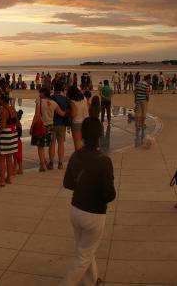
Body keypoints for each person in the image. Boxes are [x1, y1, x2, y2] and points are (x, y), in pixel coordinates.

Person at [61, 118, 115, 286]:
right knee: (84, 255)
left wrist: (83, 185)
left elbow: (67, 183)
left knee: (84, 249)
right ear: (100, 135)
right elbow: (109, 194)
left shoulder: (76, 155)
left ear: (82, 134)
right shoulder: (104, 161)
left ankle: (91, 281)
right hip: (94, 214)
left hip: (75, 209)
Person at [33, 87, 65, 171]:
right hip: (50, 126)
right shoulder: (53, 103)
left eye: (40, 93)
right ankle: (47, 162)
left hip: (41, 125)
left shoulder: (39, 101)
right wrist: (68, 111)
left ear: (43, 93)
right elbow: (62, 113)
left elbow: (36, 115)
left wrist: (33, 125)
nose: (39, 95)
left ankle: (43, 165)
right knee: (48, 145)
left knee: (40, 146)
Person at [0, 94, 18, 187]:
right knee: (9, 157)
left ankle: (2, 180)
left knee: (1, 158)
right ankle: (9, 178)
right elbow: (16, 122)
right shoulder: (13, 109)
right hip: (13, 133)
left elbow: (2, 125)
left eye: (0, 100)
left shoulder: (4, 110)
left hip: (5, 135)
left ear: (3, 100)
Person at [67, 85, 88, 151]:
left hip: (76, 123)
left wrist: (68, 113)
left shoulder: (72, 101)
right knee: (84, 143)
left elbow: (74, 114)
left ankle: (79, 159)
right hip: (85, 122)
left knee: (77, 144)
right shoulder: (84, 98)